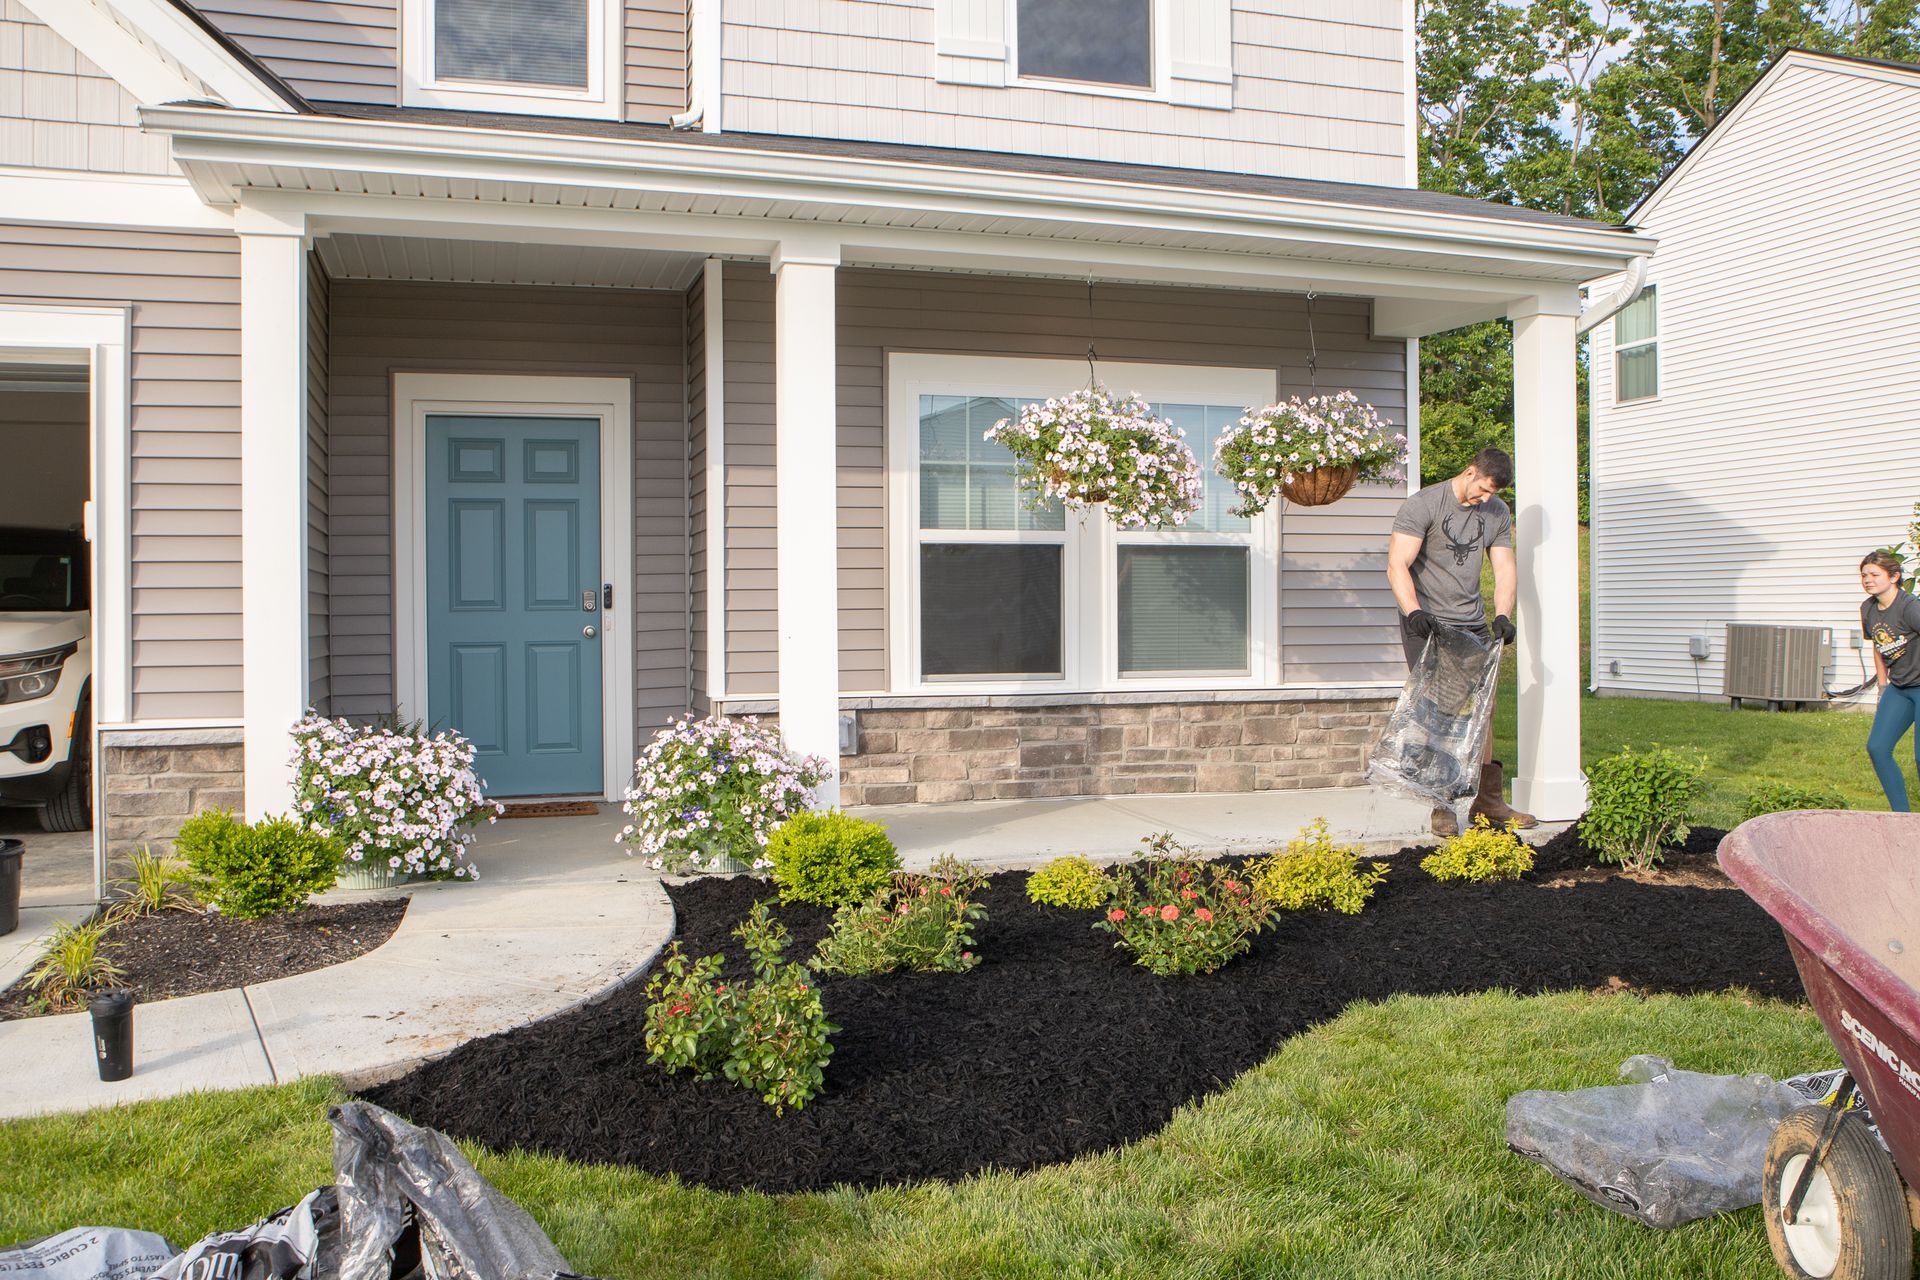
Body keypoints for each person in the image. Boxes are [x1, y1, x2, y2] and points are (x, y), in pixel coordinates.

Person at [1386, 447, 1535, 836]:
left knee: (1484, 709)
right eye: (1482, 489)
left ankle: (1487, 802)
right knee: (1443, 710)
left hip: (1471, 623)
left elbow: (1504, 568)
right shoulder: (1424, 505)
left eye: (1492, 493)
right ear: (1469, 473)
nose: (1484, 499)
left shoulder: (1497, 512)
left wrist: (1503, 615)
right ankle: (1443, 805)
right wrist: (1413, 610)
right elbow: (1397, 564)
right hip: (1428, 623)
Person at [1859, 550, 1920, 811]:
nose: (1867, 580)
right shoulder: (1868, 609)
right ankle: (1902, 819)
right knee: (1878, 747)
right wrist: (1883, 686)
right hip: (1900, 688)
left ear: (1894, 576)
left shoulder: (1910, 608)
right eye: (1863, 575)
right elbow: (1877, 646)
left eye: (1874, 574)